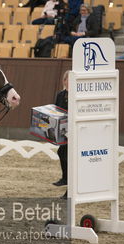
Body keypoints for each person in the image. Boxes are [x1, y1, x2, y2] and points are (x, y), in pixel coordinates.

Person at [53, 70, 68, 199]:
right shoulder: (60, 95)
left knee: (68, 156)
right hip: (64, 130)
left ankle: (68, 183)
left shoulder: (77, 95)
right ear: (64, 81)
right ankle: (65, 178)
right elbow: (56, 111)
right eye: (67, 80)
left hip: (74, 130)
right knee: (61, 153)